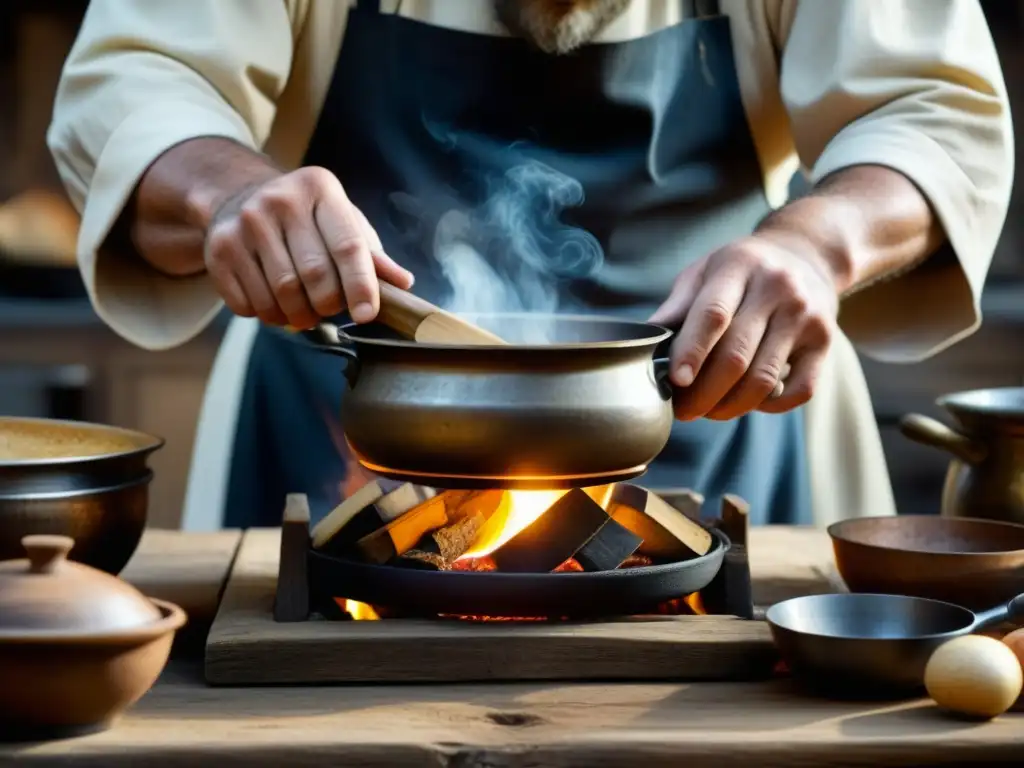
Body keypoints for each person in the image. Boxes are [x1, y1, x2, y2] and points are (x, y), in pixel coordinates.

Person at [48, 0, 1012, 529]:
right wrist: (229, 195)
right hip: (342, 427)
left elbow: (934, 113)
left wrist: (815, 242)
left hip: (727, 415)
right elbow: (139, 82)